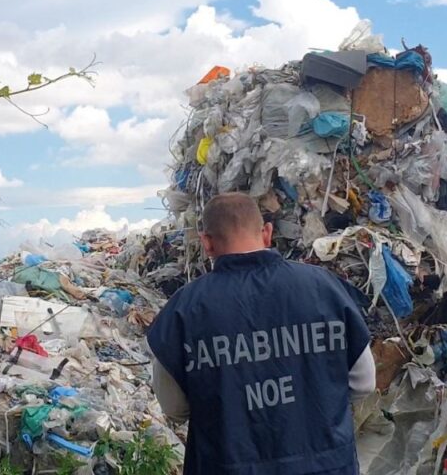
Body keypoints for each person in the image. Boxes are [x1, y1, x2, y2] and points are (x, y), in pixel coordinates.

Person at [148, 193, 376, 475]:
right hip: (326, 465)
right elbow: (364, 382)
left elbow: (174, 407)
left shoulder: (183, 310)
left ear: (206, 242)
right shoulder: (325, 289)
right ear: (267, 232)